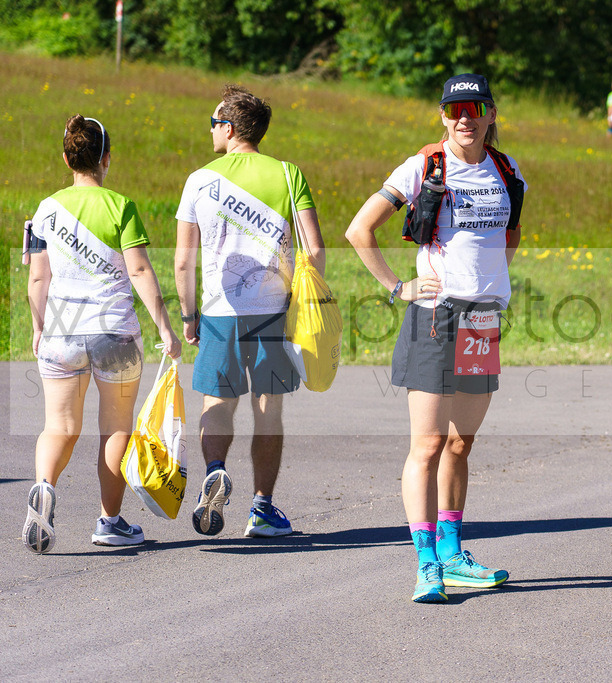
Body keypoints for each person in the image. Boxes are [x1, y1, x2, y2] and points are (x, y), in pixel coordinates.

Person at [345, 73, 527, 604]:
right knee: (426, 445)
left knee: (460, 443)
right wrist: (398, 286)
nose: (463, 118)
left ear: (491, 113)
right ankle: (426, 563)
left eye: (474, 108)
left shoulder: (507, 169)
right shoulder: (424, 165)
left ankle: (452, 552)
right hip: (434, 316)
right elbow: (360, 230)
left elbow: (510, 231)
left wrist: (491, 285)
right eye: (454, 110)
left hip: (481, 320)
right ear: (442, 116)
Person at [23, 115, 181, 554]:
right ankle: (110, 522)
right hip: (115, 333)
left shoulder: (45, 209)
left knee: (59, 426)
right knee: (115, 429)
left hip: (61, 333)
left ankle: (44, 487)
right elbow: (139, 269)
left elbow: (38, 279)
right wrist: (165, 328)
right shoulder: (120, 205)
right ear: (106, 158)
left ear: (67, 157)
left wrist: (39, 327)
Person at [174, 85, 325, 539]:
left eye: (215, 123)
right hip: (274, 310)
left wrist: (188, 315)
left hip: (220, 311)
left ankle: (215, 469)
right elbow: (314, 249)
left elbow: (184, 260)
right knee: (268, 411)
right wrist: (307, 302)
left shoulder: (200, 180)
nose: (211, 131)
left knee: (217, 403)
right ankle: (262, 508)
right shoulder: (287, 173)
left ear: (231, 128)